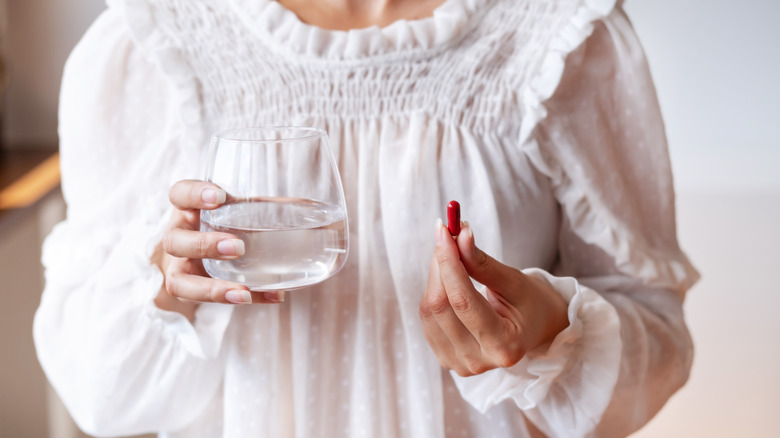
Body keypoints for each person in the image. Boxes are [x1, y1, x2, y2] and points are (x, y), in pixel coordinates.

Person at [34, 0, 700, 436]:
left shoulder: (562, 33)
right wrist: (166, 282)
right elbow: (101, 397)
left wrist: (545, 333)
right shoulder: (153, 39)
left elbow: (659, 344)